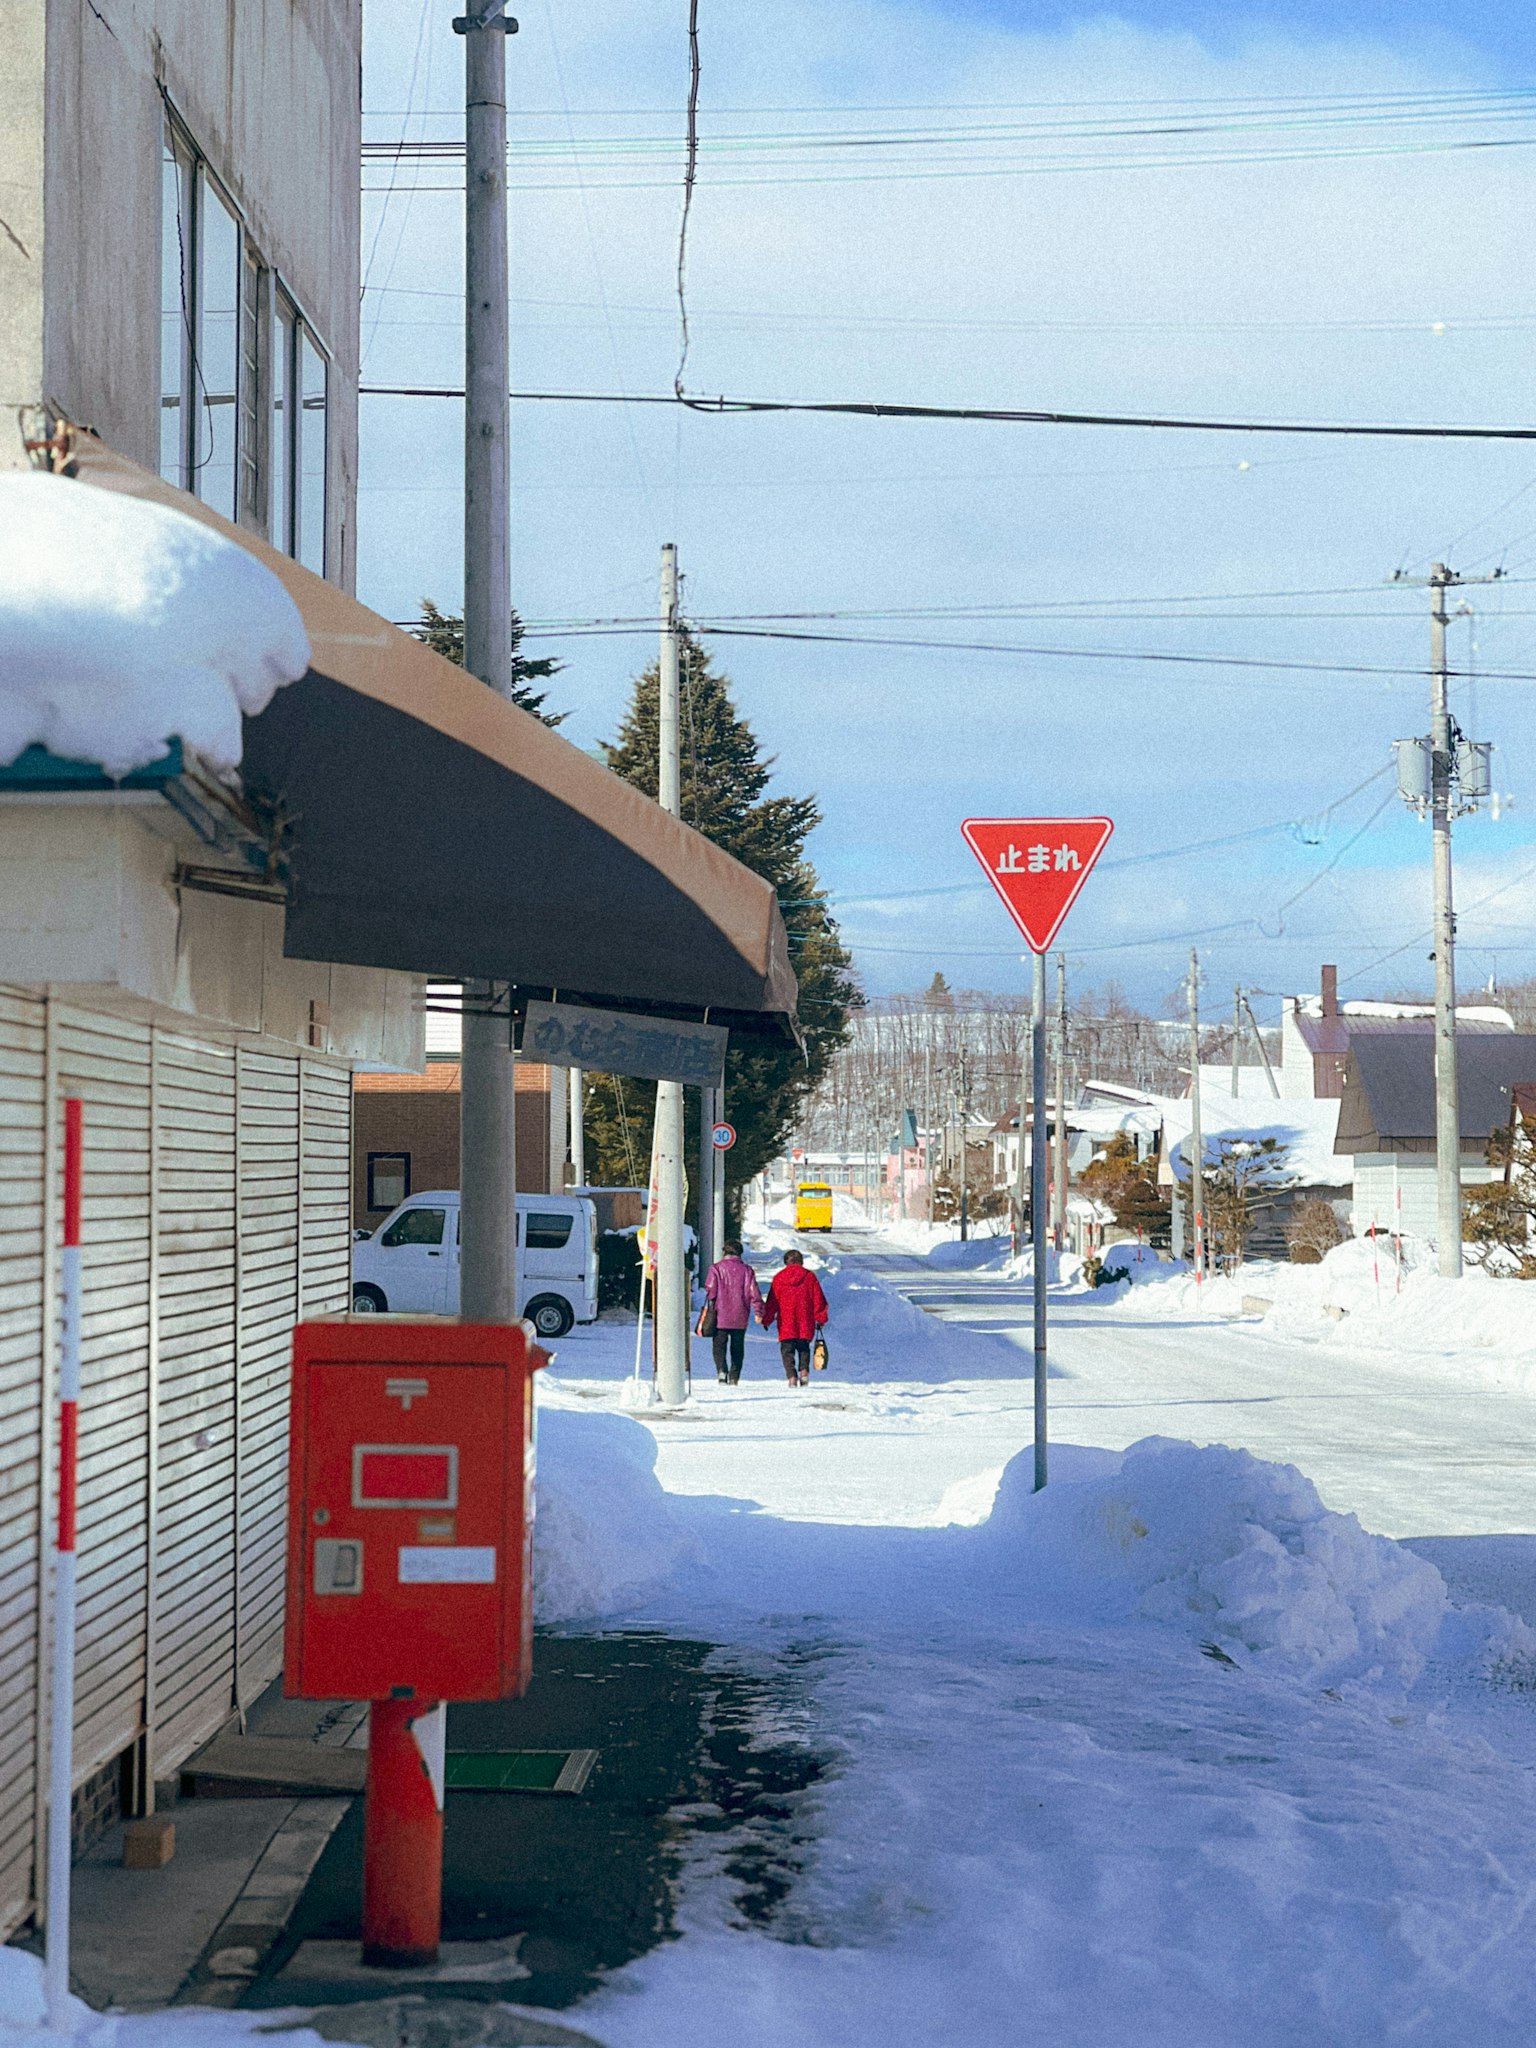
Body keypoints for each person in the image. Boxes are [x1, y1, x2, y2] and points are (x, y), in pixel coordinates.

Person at [760, 1248, 829, 1387]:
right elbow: (818, 1300)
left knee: (787, 1350)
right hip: (805, 1320)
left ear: (786, 1262)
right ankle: (804, 1372)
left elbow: (772, 1302)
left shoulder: (779, 1278)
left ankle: (791, 1377)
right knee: (804, 1348)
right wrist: (821, 1318)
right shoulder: (810, 1277)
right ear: (801, 1262)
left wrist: (767, 1319)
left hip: (786, 1321)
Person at [702, 1237, 763, 1385]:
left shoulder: (716, 1269)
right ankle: (734, 1375)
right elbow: (754, 1292)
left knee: (719, 1345)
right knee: (738, 1346)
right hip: (740, 1315)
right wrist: (758, 1311)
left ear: (725, 1252)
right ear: (740, 1253)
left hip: (720, 1315)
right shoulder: (747, 1271)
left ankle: (722, 1371)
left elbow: (711, 1290)